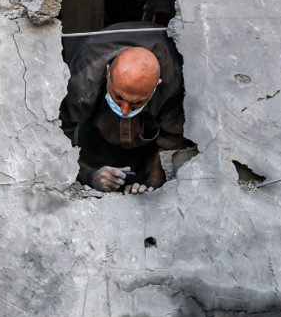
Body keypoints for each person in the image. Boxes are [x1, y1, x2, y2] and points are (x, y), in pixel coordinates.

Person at [61, 22, 189, 194]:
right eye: (118, 97)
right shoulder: (82, 80)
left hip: (146, 144)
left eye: (136, 102)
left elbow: (171, 138)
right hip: (96, 142)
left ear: (156, 86)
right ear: (107, 73)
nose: (125, 110)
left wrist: (153, 184)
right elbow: (58, 137)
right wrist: (89, 175)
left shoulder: (174, 77)